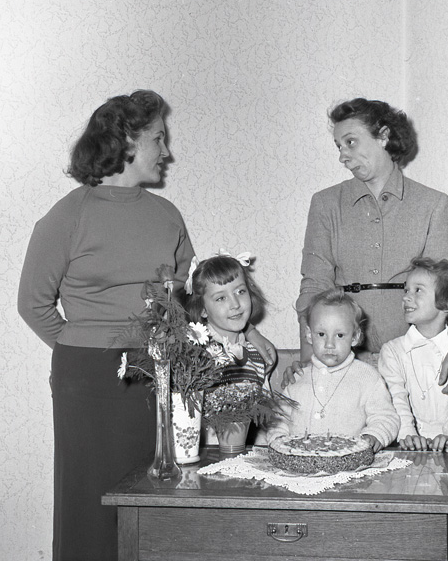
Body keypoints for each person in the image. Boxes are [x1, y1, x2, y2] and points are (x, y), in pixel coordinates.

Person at [17, 91, 275, 561]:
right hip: (88, 378)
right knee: (89, 499)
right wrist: (87, 346)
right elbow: (33, 303)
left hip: (161, 371)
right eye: (158, 138)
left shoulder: (166, 215)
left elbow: (195, 297)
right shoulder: (68, 216)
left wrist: (247, 332)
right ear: (127, 141)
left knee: (161, 495)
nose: (166, 151)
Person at [290, 98, 448, 394]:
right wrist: (309, 361)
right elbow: (314, 287)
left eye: (350, 142)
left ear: (384, 136)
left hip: (412, 361)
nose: (343, 156)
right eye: (339, 146)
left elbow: (447, 287)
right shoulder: (325, 204)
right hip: (342, 362)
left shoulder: (432, 204)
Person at [268, 289, 399, 453]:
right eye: (321, 334)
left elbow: (385, 417)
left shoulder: (368, 378)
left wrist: (374, 435)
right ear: (309, 335)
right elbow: (278, 420)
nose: (329, 344)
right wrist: (278, 439)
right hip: (300, 463)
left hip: (349, 463)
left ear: (355, 337)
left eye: (340, 335)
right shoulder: (297, 378)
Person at [378, 257, 448, 452]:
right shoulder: (392, 352)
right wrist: (407, 435)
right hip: (404, 449)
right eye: (406, 290)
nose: (406, 297)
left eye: (418, 290)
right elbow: (395, 400)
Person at [184, 253, 272, 386]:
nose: (235, 304)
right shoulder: (197, 355)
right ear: (202, 309)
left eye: (240, 292)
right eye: (221, 298)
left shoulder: (257, 355)